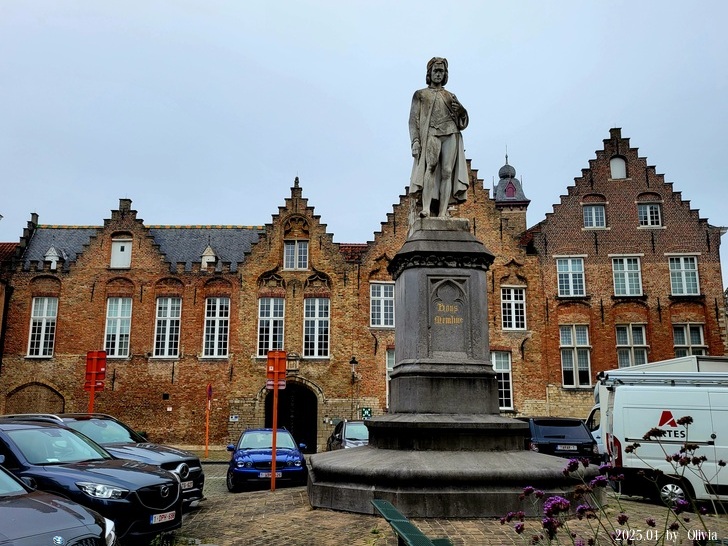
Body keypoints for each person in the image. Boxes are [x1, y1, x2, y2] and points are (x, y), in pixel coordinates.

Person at [409, 57, 469, 218]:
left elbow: (461, 121)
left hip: (451, 133)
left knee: (447, 171)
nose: (438, 74)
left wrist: (461, 111)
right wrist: (415, 141)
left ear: (445, 74)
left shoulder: (450, 96)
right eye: (435, 71)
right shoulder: (420, 94)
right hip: (432, 133)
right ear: (429, 73)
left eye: (441, 71)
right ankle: (426, 208)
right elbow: (413, 120)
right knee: (431, 167)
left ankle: (443, 212)